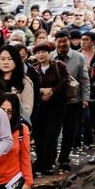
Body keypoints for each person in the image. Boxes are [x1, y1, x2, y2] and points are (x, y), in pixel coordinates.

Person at [53, 30, 91, 171]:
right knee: (54, 130)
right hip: (55, 101)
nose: (62, 44)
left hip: (73, 101)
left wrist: (85, 98)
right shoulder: (51, 56)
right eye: (59, 41)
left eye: (65, 41)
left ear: (69, 41)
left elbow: (84, 80)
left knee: (69, 132)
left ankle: (64, 158)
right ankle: (50, 158)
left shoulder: (79, 57)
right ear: (55, 42)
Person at [31, 40, 70, 175]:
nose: (41, 55)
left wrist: (52, 91)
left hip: (57, 106)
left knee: (51, 135)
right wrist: (42, 91)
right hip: (40, 107)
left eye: (43, 52)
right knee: (39, 135)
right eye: (38, 53)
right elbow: (31, 87)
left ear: (49, 53)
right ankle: (40, 161)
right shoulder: (34, 69)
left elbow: (66, 81)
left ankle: (49, 163)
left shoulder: (59, 66)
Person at [0, 46, 35, 123]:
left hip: (14, 124)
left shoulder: (25, 82)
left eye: (10, 59)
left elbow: (27, 110)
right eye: (2, 59)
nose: (6, 62)